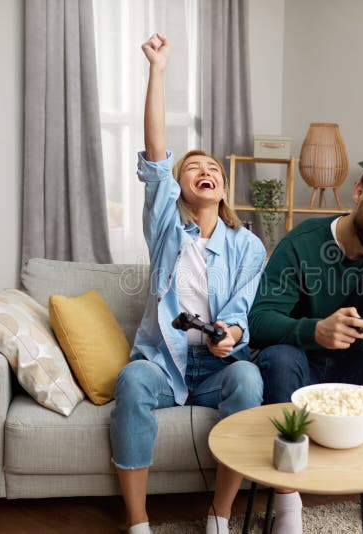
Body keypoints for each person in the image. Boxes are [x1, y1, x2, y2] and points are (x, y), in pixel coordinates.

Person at [110, 34, 267, 534]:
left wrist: (233, 337)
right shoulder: (164, 229)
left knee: (249, 380)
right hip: (166, 363)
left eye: (215, 168)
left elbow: (242, 308)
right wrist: (158, 69)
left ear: (223, 189)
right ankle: (138, 523)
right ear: (178, 186)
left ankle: (220, 515)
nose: (207, 170)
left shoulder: (249, 246)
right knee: (132, 380)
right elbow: (156, 151)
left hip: (218, 366)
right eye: (195, 167)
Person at [248, 157, 363, 534]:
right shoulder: (301, 243)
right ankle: (287, 503)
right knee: (279, 358)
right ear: (359, 192)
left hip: (357, 373)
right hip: (304, 370)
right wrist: (314, 331)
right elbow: (259, 320)